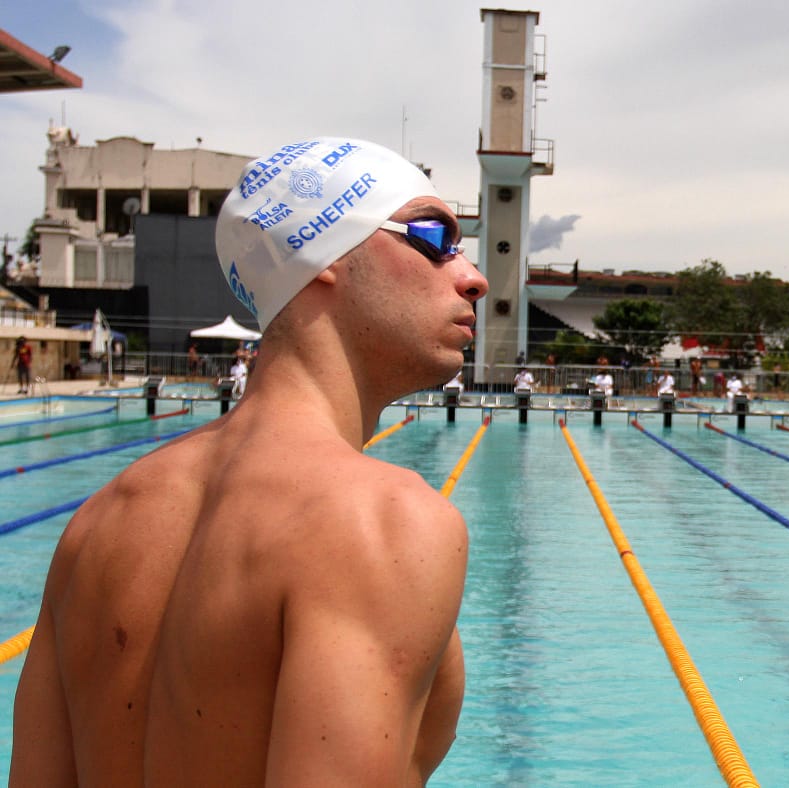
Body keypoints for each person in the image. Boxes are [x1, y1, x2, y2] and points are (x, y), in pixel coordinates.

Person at [11, 136, 489, 785]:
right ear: (325, 257)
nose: (472, 275)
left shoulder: (97, 525)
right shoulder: (383, 521)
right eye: (433, 236)